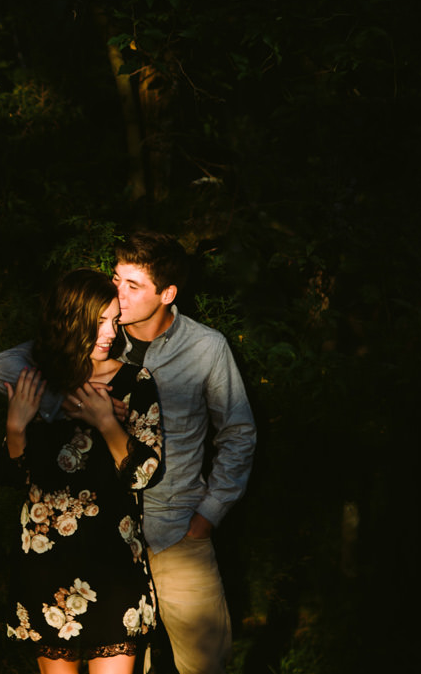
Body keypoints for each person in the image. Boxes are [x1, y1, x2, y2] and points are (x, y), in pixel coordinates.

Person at [0, 269, 166, 672]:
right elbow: (15, 477)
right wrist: (16, 426)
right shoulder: (38, 383)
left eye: (115, 320)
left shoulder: (134, 381)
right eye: (99, 321)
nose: (111, 332)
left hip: (114, 562)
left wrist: (106, 422)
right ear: (72, 320)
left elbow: (144, 474)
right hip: (47, 564)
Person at [111, 233, 256, 674]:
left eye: (133, 285)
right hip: (107, 536)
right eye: (116, 279)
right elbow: (1, 367)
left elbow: (238, 432)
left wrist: (208, 515)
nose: (118, 292)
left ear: (166, 293)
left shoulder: (206, 347)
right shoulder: (96, 337)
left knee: (205, 663)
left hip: (176, 530)